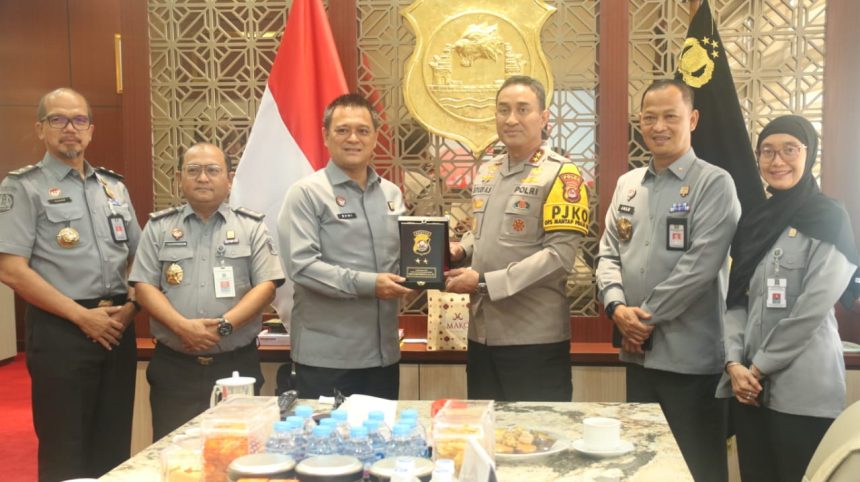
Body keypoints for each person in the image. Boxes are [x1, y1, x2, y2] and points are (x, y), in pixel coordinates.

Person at [595, 79, 740, 482]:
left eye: (670, 117)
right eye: (649, 117)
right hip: (638, 355)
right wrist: (616, 308)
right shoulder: (627, 184)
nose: (659, 126)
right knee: (642, 465)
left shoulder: (715, 183)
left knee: (698, 469)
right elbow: (608, 254)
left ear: (692, 120)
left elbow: (699, 268)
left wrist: (641, 320)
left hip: (692, 362)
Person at [0, 88, 141, 481]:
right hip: (61, 330)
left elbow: (140, 258)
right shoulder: (22, 187)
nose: (70, 129)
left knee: (114, 443)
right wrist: (82, 317)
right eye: (58, 119)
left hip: (117, 327)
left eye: (79, 120)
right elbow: (11, 269)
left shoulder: (113, 187)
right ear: (40, 129)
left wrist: (132, 307)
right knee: (65, 447)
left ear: (91, 130)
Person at [717, 115, 858, 482]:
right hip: (749, 389)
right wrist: (733, 362)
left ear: (808, 154)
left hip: (804, 391)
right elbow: (736, 301)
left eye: (789, 150)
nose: (777, 161)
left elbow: (811, 310)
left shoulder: (829, 218)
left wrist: (758, 367)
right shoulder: (754, 221)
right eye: (767, 151)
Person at [444, 75, 590, 402]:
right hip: (481, 335)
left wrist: (484, 282)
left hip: (533, 339)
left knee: (537, 431)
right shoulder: (487, 171)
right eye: (503, 110)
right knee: (485, 429)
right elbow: (481, 232)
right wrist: (460, 250)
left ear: (544, 117)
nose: (511, 119)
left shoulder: (562, 175)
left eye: (523, 109)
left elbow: (558, 258)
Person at [129, 143, 285, 439]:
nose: (203, 178)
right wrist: (182, 327)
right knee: (174, 448)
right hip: (174, 367)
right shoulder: (159, 227)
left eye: (213, 170)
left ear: (230, 179)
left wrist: (225, 326)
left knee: (238, 447)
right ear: (179, 178)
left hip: (236, 365)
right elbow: (144, 286)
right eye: (193, 170)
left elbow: (266, 287)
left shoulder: (251, 227)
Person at [278, 94, 412, 399]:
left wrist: (439, 262)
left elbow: (405, 258)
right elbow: (303, 267)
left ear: (375, 138)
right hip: (327, 359)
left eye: (363, 130)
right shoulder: (306, 194)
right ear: (326, 136)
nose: (353, 138)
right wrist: (371, 284)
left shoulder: (391, 194)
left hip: (383, 357)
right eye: (343, 130)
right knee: (327, 433)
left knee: (381, 431)